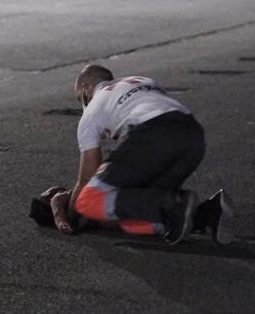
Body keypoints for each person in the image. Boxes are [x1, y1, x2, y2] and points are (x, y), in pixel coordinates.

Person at [61, 64, 209, 245]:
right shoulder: (141, 80)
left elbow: (86, 181)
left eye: (80, 98)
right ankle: (204, 216)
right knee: (136, 211)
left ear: (85, 89)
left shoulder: (92, 113)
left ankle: (176, 203)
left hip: (152, 133)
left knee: (88, 201)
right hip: (193, 136)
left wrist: (69, 214)